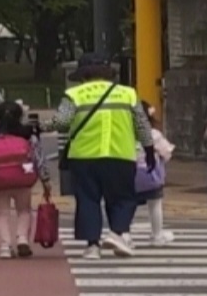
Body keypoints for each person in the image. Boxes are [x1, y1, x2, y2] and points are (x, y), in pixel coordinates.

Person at [45, 53, 155, 260]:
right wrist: (149, 149)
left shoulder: (75, 94)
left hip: (84, 156)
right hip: (120, 154)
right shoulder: (127, 93)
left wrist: (40, 126)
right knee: (124, 198)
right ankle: (116, 233)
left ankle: (92, 247)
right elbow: (141, 124)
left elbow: (61, 122)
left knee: (88, 199)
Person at [0, 101, 51, 259]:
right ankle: (22, 239)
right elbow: (38, 157)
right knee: (24, 211)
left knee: (1, 213)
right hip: (22, 178)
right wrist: (45, 180)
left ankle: (5, 246)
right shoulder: (27, 133)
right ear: (20, 116)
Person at [133, 101, 175, 246]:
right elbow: (167, 152)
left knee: (127, 205)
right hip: (151, 175)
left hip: (130, 175)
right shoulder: (154, 134)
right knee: (155, 204)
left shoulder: (125, 134)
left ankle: (124, 235)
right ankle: (157, 235)